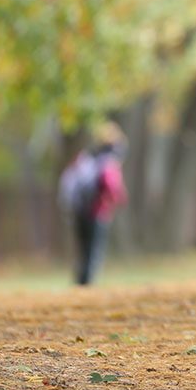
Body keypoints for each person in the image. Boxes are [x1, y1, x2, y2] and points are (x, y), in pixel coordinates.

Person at [58, 121, 128, 285]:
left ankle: (80, 282)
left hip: (79, 210)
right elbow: (111, 185)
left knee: (82, 249)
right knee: (93, 250)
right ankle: (88, 284)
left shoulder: (87, 158)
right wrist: (118, 198)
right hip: (97, 210)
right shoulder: (109, 161)